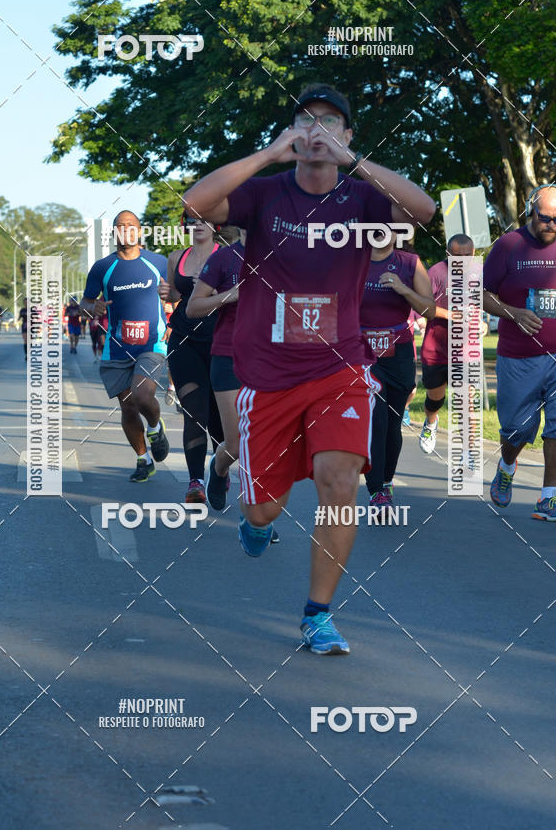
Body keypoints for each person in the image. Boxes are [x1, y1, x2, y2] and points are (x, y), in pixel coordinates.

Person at [183, 83, 435, 654]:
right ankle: (255, 521)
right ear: (291, 136)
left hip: (340, 366)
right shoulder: (266, 194)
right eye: (305, 122)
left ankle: (318, 615)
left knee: (339, 480)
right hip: (268, 374)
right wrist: (269, 155)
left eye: (329, 123)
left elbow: (423, 210)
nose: (315, 131)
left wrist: (357, 165)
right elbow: (196, 204)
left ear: (346, 135)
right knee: (262, 507)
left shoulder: (362, 200)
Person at [186, 228, 282, 542]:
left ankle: (258, 519)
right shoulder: (223, 259)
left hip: (271, 359)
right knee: (239, 440)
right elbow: (193, 307)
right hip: (228, 356)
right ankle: (219, 468)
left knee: (263, 443)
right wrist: (230, 295)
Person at [81, 210, 170, 482]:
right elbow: (85, 304)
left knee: (142, 395)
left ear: (140, 231)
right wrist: (91, 308)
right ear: (114, 233)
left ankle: (155, 427)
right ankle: (143, 460)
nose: (126, 230)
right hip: (117, 347)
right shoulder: (102, 267)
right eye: (121, 226)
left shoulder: (159, 263)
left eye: (131, 226)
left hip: (152, 344)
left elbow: (176, 297)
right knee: (129, 407)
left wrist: (173, 312)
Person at [484, 185, 556, 518]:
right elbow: (481, 294)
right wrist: (514, 312)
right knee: (516, 429)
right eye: (546, 218)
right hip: (519, 356)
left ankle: (549, 495)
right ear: (530, 211)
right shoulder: (508, 246)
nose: (553, 225)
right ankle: (507, 465)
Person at [360, 230, 434, 508]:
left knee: (393, 424)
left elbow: (429, 309)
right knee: (376, 421)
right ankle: (375, 489)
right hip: (364, 352)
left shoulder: (410, 263)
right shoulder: (354, 260)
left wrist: (404, 290)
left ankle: (386, 482)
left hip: (399, 352)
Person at [158, 214, 224, 504]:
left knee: (219, 417)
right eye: (192, 219)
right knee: (193, 412)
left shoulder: (229, 256)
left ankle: (219, 473)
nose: (199, 224)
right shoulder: (176, 257)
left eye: (205, 219)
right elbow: (174, 294)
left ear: (216, 225)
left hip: (221, 340)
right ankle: (195, 482)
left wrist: (213, 287)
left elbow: (244, 293)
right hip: (184, 339)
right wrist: (167, 292)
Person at [417, 234, 476, 454]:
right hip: (436, 349)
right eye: (457, 256)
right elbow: (423, 306)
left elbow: (486, 301)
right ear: (448, 254)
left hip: (464, 351)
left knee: (466, 402)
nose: (462, 260)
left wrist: (481, 323)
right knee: (435, 399)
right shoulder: (435, 273)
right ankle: (431, 423)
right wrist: (450, 315)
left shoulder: (478, 273)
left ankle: (469, 452)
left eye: (467, 256)